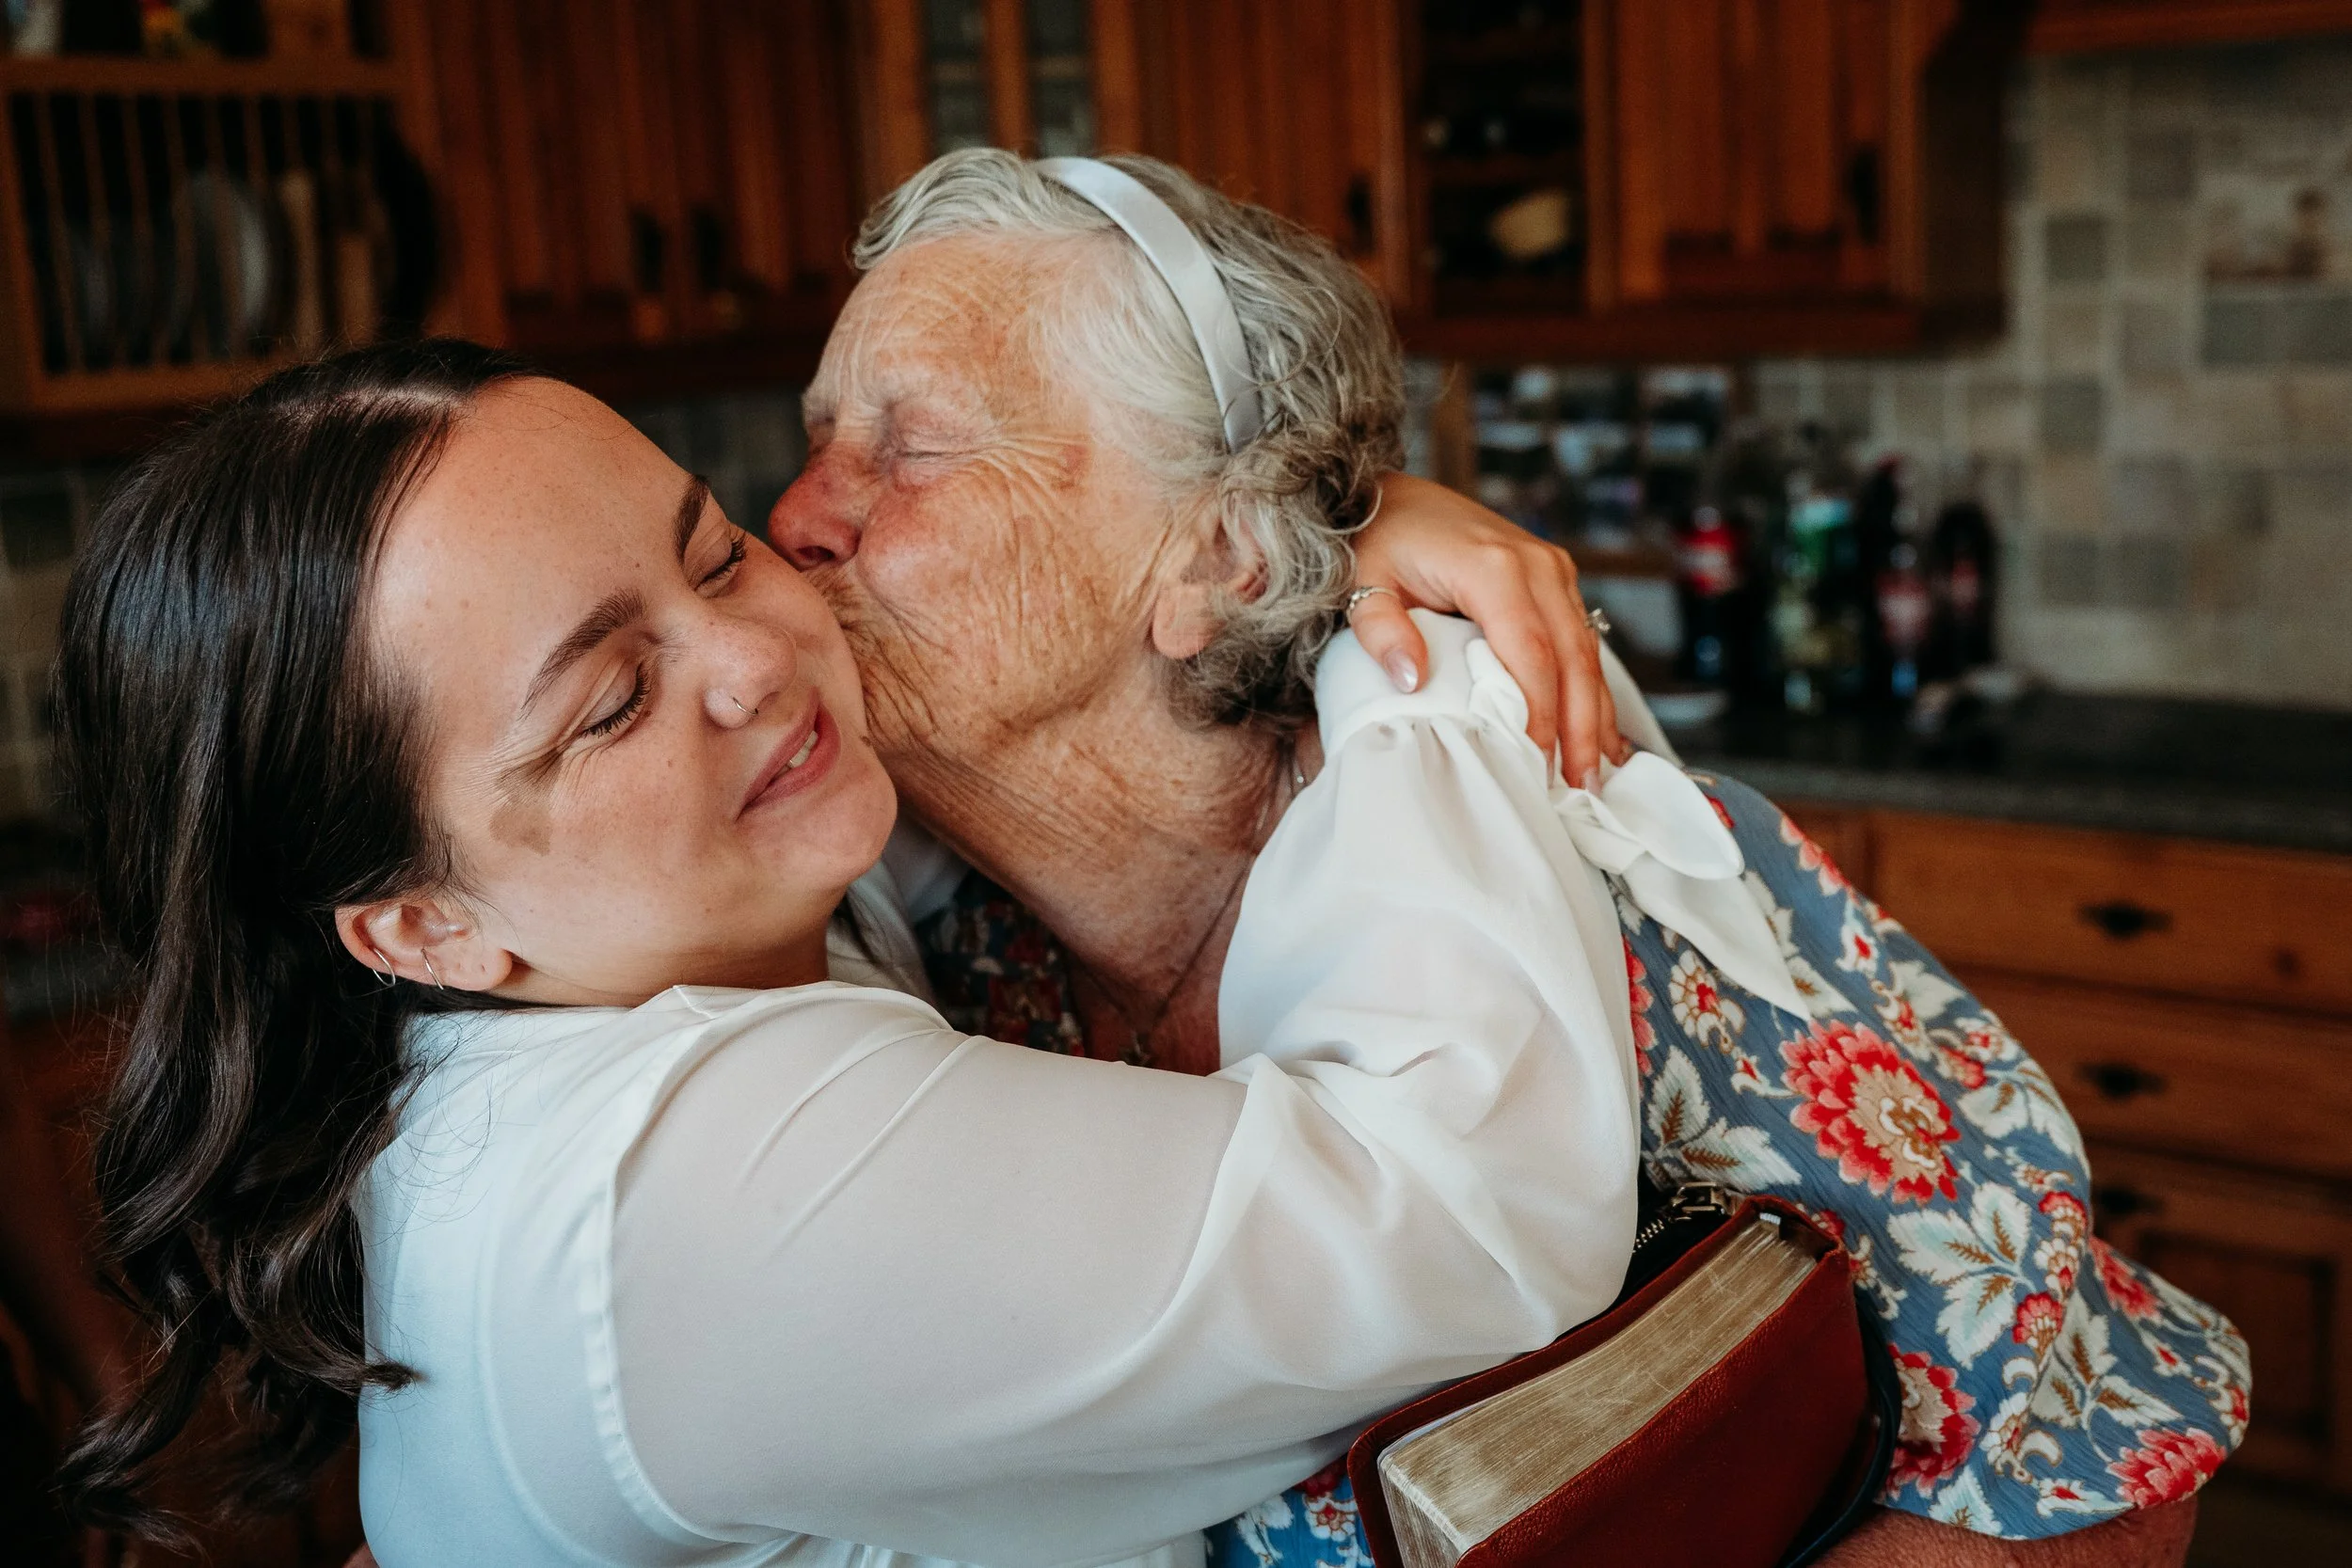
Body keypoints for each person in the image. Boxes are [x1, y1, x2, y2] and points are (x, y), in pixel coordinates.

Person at [764, 149, 2246, 1562]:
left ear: (1214, 561)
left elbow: (2104, 1470)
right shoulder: (940, 997)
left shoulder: (1598, 895)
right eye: (817, 440)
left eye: (916, 446)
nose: (794, 517)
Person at [52, 340, 1712, 1568]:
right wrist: (1397, 653)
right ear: (422, 922)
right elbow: (1476, 1227)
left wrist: (1296, 530)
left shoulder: (631, 938)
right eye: (612, 700)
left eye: (713, 551)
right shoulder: (695, 1185)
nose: (763, 656)